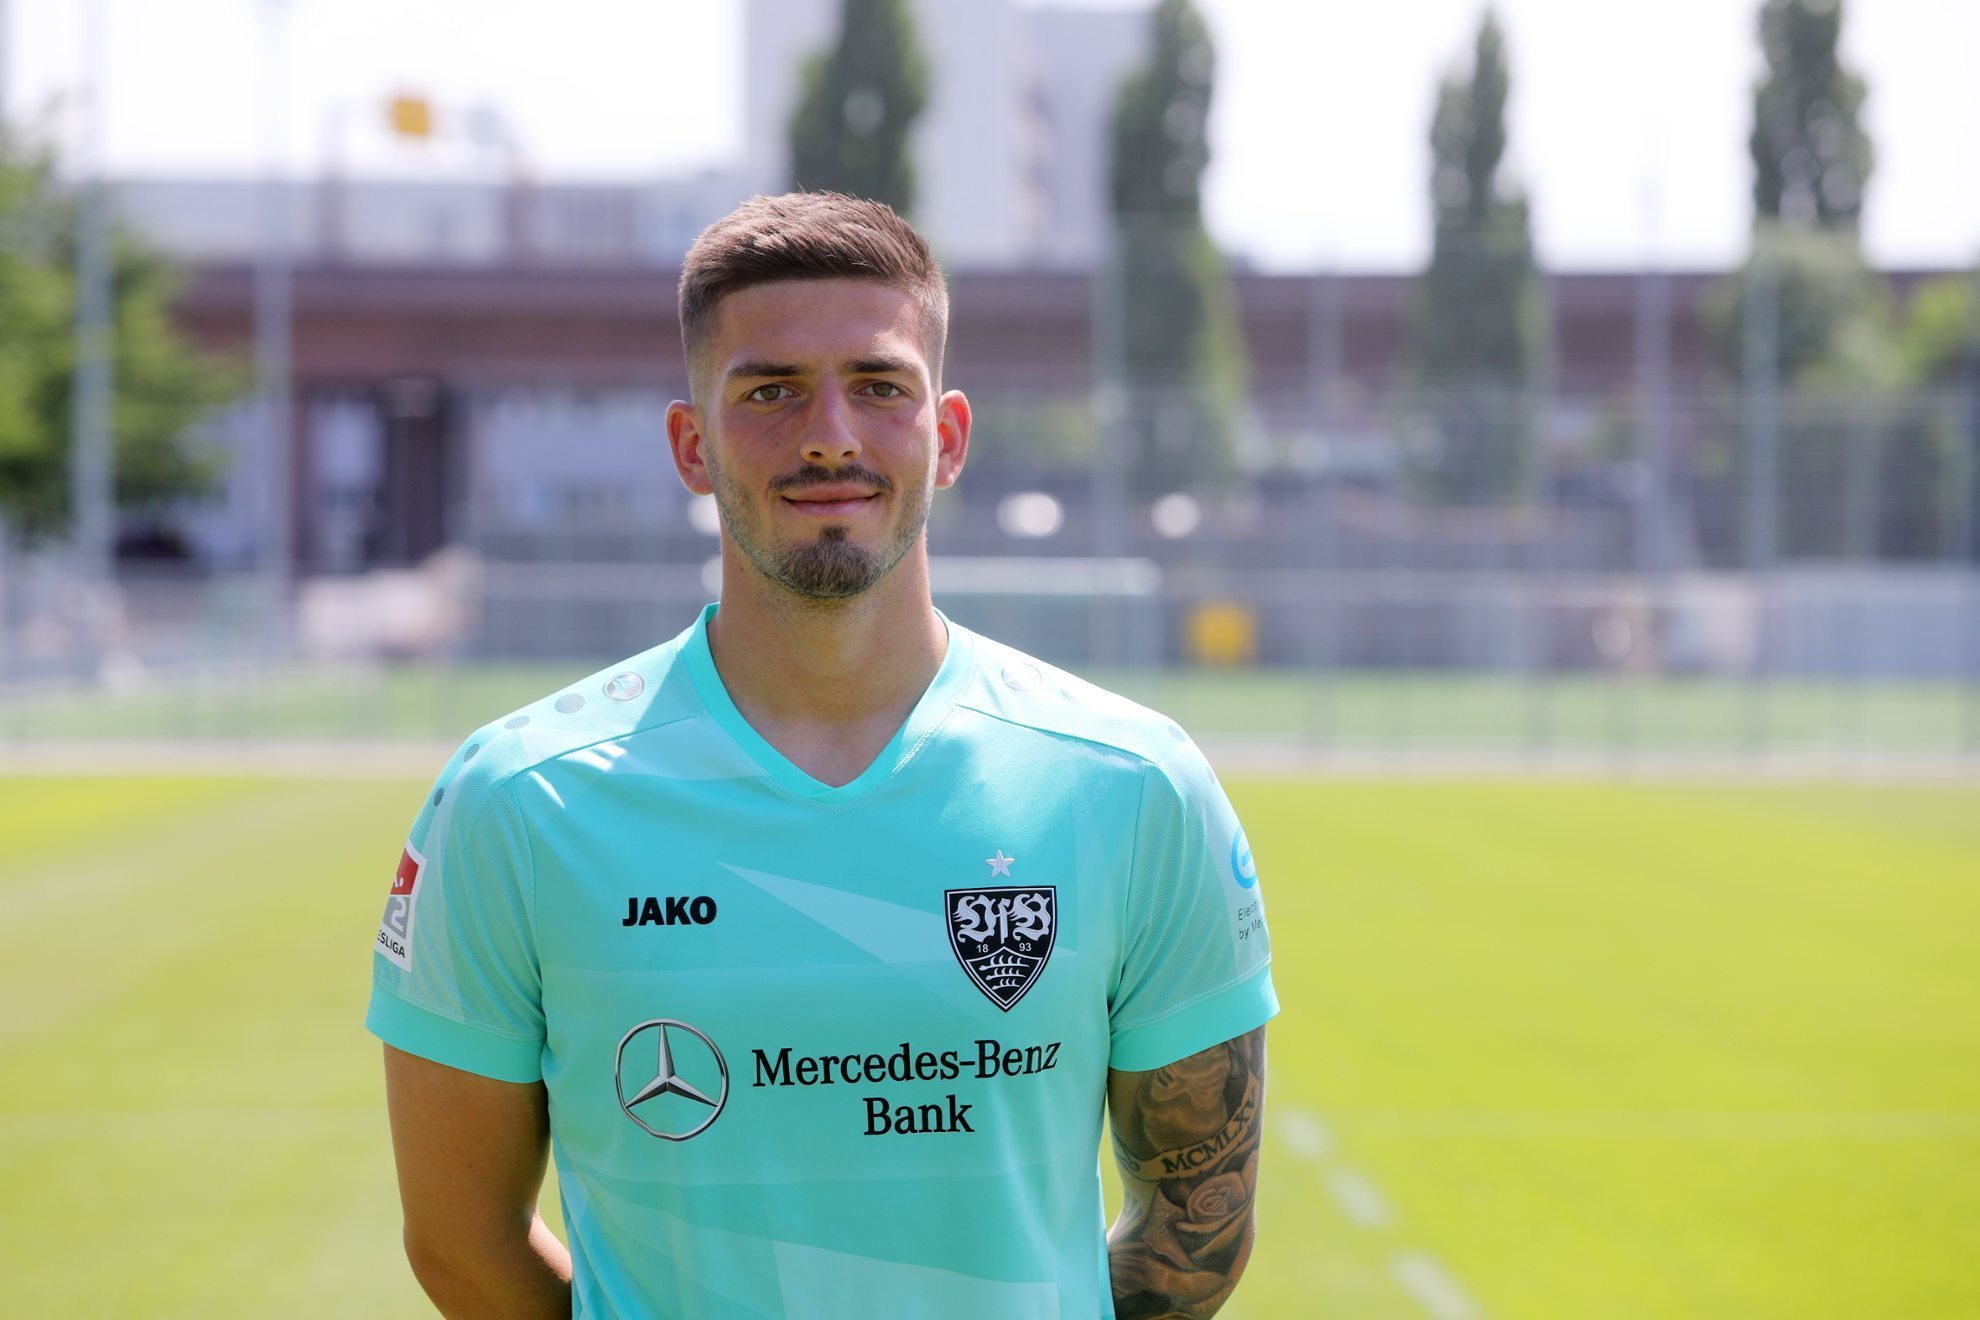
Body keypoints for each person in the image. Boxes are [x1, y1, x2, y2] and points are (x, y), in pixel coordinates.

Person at [366, 191, 1276, 1319]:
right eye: (772, 390)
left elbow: (1197, 1226)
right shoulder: (519, 801)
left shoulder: (1133, 786)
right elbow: (462, 1243)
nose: (830, 434)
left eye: (879, 386)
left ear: (947, 437)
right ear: (692, 447)